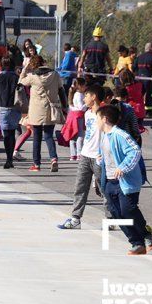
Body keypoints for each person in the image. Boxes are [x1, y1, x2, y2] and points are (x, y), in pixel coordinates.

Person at [97, 104, 152, 255]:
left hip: (125, 182)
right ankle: (137, 243)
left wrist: (122, 168)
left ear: (104, 119)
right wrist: (100, 159)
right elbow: (106, 156)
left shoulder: (120, 135)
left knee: (128, 210)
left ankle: (146, 234)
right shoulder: (104, 136)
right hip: (109, 181)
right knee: (116, 213)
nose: (96, 121)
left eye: (97, 118)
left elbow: (135, 151)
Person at [57, 83, 105, 230]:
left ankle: (111, 218)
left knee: (104, 190)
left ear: (94, 97)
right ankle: (75, 218)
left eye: (87, 96)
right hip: (85, 155)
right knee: (80, 187)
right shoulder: (87, 113)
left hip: (99, 157)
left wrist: (103, 155)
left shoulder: (103, 114)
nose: (84, 98)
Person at [19, 55, 66, 172]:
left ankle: (37, 164)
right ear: (44, 62)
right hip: (51, 109)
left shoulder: (33, 76)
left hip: (36, 110)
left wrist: (25, 68)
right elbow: (61, 89)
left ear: (33, 65)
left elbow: (21, 82)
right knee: (49, 135)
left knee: (37, 137)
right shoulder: (55, 74)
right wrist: (64, 106)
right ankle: (54, 158)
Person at [0, 57, 21, 169]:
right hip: (14, 107)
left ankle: (8, 158)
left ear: (2, 65)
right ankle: (10, 159)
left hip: (2, 107)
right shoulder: (16, 78)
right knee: (12, 133)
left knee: (6, 134)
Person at [64, 78, 87, 161]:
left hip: (72, 116)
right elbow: (81, 107)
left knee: (73, 135)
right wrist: (87, 104)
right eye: (84, 85)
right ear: (80, 86)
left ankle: (73, 154)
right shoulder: (79, 95)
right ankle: (79, 154)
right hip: (78, 116)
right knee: (80, 135)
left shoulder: (74, 94)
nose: (85, 87)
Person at [135, 43, 152, 115]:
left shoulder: (139, 57)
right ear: (151, 48)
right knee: (150, 95)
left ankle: (137, 110)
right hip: (149, 79)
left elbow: (133, 67)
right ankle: (149, 112)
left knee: (139, 95)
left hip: (139, 79)